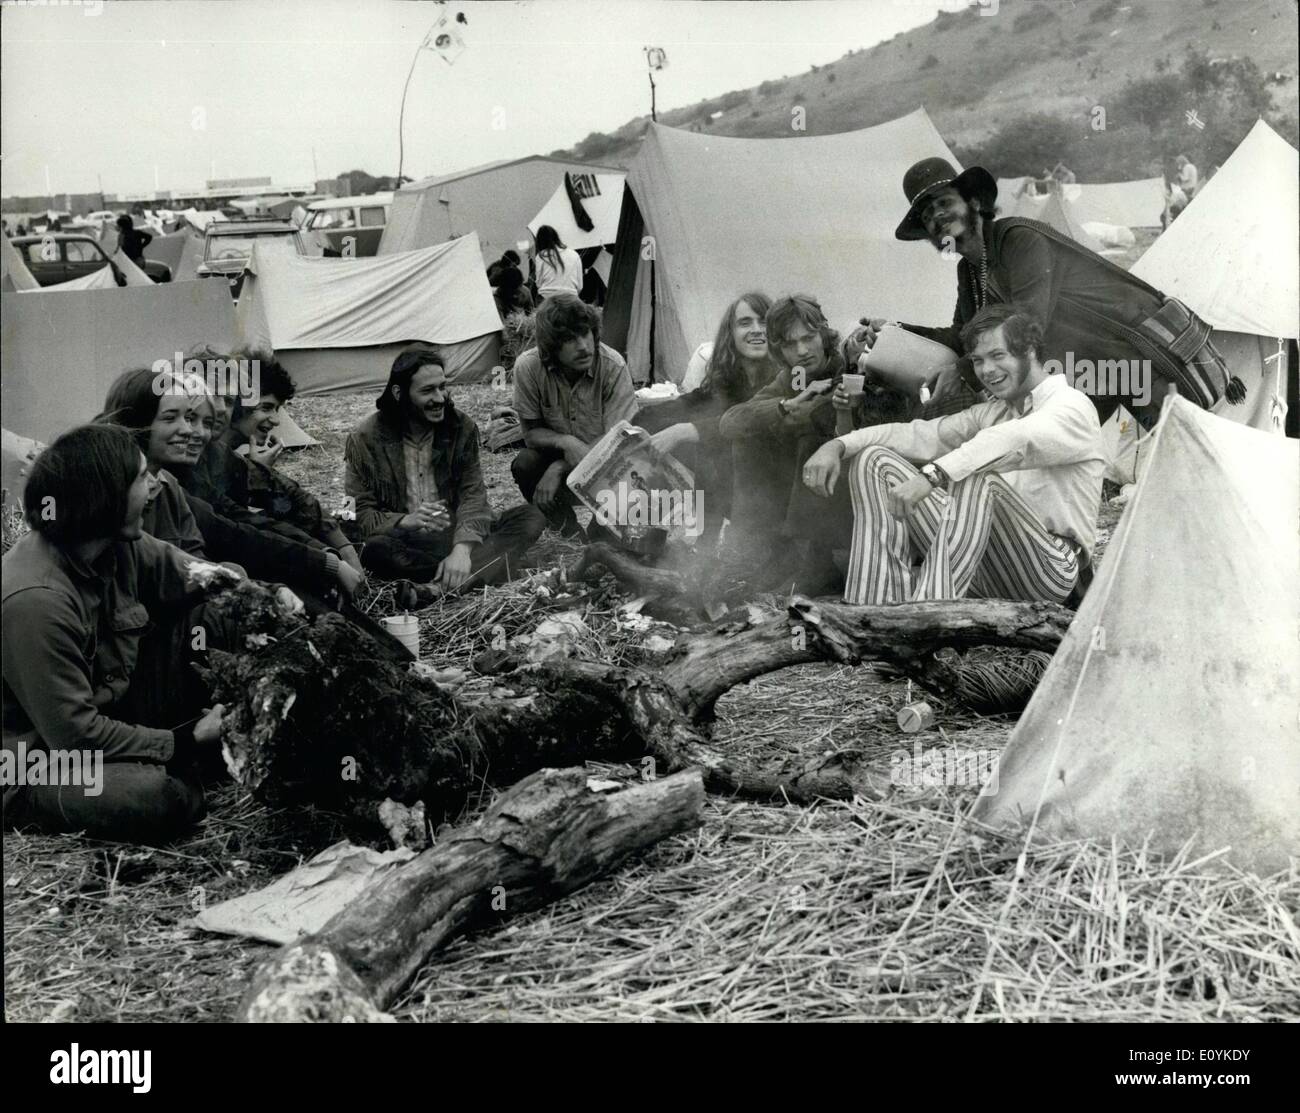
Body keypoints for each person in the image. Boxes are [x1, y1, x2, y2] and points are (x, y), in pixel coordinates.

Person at [847, 157, 1242, 427]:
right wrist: (894, 332)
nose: (936, 216)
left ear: (972, 202)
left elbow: (1027, 326)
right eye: (927, 214)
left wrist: (963, 372)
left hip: (1135, 353)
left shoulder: (1019, 239)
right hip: (1092, 369)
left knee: (1189, 452)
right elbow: (961, 334)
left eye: (943, 202)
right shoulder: (970, 269)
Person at [2, 424, 243, 842]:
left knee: (220, 615)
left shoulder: (118, 543)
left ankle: (198, 757)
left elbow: (204, 578)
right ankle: (192, 764)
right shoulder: (35, 598)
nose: (154, 486)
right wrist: (184, 740)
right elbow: (75, 735)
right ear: (104, 496)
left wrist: (261, 596)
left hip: (114, 712)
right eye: (141, 478)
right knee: (154, 797)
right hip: (39, 758)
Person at [803, 305, 1104, 607]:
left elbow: (1014, 438)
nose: (986, 371)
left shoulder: (1071, 405)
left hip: (1051, 569)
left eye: (998, 355)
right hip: (987, 566)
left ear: (1029, 352)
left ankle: (925, 616)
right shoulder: (993, 412)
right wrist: (839, 445)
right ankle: (875, 611)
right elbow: (918, 434)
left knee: (977, 477)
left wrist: (932, 475)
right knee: (874, 462)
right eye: (977, 361)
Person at [97, 367, 363, 603]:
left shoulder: (177, 479)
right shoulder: (116, 487)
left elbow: (247, 520)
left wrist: (330, 554)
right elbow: (226, 537)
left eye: (229, 402)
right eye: (171, 418)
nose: (193, 431)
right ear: (138, 422)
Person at [345, 346, 546, 591]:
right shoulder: (364, 438)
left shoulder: (461, 427)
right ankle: (483, 572)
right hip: (405, 543)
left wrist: (462, 550)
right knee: (374, 551)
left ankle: (440, 586)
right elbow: (358, 513)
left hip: (455, 536)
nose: (440, 398)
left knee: (531, 517)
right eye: (428, 390)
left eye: (442, 387)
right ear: (399, 393)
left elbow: (473, 496)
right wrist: (406, 520)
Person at [716, 295, 862, 593]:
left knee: (811, 439)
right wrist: (785, 405)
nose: (802, 351)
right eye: (789, 344)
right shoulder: (793, 378)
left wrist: (825, 410)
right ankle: (770, 552)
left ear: (823, 333)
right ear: (778, 349)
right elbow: (730, 422)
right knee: (748, 439)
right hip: (808, 490)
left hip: (854, 479)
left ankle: (817, 564)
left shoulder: (849, 364)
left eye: (808, 338)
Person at [187, 353, 364, 574]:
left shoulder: (223, 454)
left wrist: (341, 548)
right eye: (266, 407)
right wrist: (325, 558)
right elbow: (236, 525)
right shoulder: (190, 458)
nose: (221, 408)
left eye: (228, 400)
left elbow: (291, 495)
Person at [635, 293, 778, 545]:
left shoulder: (788, 374)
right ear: (730, 334)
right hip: (735, 489)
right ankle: (644, 538)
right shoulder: (730, 377)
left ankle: (706, 544)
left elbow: (757, 421)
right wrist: (640, 423)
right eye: (745, 323)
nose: (756, 330)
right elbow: (691, 402)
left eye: (764, 322)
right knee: (660, 429)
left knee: (702, 443)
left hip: (771, 493)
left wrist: (688, 430)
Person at [510, 295, 637, 538]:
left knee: (607, 543)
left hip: (607, 466)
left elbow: (619, 438)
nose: (583, 346)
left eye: (586, 333)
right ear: (550, 345)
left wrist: (559, 467)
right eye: (569, 339)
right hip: (559, 466)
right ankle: (568, 531)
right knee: (525, 463)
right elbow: (531, 434)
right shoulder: (528, 366)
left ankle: (600, 532)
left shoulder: (613, 365)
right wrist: (565, 442)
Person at [532, 225, 583, 300]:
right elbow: (580, 287)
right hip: (570, 298)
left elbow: (539, 284)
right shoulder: (575, 254)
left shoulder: (541, 256)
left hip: (546, 298)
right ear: (556, 237)